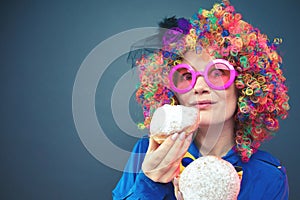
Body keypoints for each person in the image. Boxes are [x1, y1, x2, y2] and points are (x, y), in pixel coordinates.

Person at [112, 1, 290, 199]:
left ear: (244, 85)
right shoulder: (148, 153)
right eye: (187, 76)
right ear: (173, 94)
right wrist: (150, 183)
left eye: (216, 73)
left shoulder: (269, 175)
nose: (199, 87)